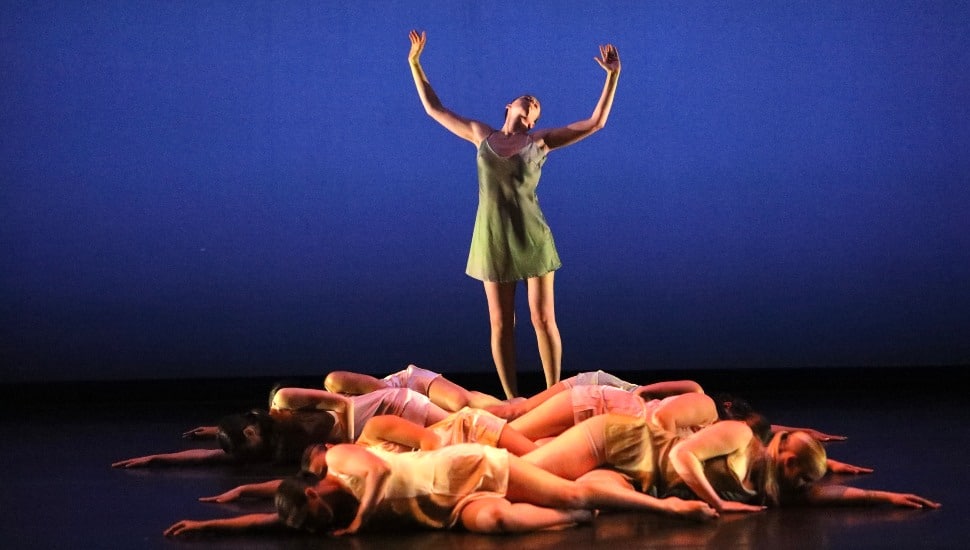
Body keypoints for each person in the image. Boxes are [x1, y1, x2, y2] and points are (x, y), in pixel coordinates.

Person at [407, 30, 621, 399]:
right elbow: (434, 109)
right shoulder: (481, 135)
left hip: (531, 237)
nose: (533, 102)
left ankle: (553, 396)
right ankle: (513, 401)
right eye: (527, 100)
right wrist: (415, 63)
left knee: (543, 319)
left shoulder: (539, 142)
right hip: (491, 238)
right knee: (501, 323)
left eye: (537, 106)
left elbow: (595, 122)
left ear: (534, 120)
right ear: (508, 107)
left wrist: (612, 75)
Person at [165, 441, 717, 538]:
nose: (325, 528)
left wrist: (358, 523)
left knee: (573, 492)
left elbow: (381, 475)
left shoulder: (340, 463)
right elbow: (273, 522)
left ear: (311, 492)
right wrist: (212, 522)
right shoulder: (319, 508)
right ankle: (576, 520)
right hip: (455, 510)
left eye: (319, 519)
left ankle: (664, 505)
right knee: (498, 525)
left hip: (469, 470)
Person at [520, 415, 940, 513]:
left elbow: (821, 495)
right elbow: (682, 457)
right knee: (520, 474)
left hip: (630, 472)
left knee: (531, 487)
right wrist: (720, 506)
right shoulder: (740, 436)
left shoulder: (766, 484)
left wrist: (883, 497)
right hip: (615, 441)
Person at [111, 387, 451, 467]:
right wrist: (156, 459)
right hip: (382, 432)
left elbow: (342, 403)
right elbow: (209, 458)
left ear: (250, 428)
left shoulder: (285, 403)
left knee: (472, 418)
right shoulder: (277, 445)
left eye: (248, 438)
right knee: (457, 436)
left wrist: (354, 441)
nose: (252, 446)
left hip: (390, 406)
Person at [324, 363, 508, 412]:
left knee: (462, 403)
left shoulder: (334, 384)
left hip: (409, 387)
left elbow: (383, 390)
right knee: (470, 419)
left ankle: (520, 408)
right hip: (410, 414)